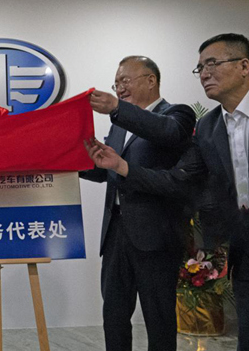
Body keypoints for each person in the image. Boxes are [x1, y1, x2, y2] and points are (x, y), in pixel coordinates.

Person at [87, 33, 249, 351]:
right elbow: (189, 182)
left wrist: (118, 109)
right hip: (247, 251)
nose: (204, 73)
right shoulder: (209, 126)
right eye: (200, 67)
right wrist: (106, 166)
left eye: (212, 64)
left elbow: (169, 139)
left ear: (244, 66)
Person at [79, 56, 195, 351]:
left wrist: (118, 109)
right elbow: (108, 171)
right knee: (114, 313)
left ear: (151, 80)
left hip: (156, 236)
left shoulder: (177, 115)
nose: (119, 87)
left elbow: (164, 132)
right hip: (116, 232)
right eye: (116, 83)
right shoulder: (119, 124)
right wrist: (76, 162)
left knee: (159, 317)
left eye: (125, 80)